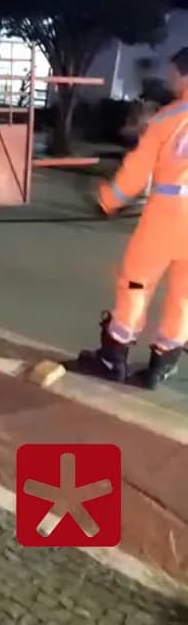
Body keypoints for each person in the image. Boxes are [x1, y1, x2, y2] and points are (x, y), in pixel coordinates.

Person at [76, 47, 188, 390]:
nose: (169, 78)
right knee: (185, 295)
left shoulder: (168, 120)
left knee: (136, 283)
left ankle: (113, 357)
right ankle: (161, 365)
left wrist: (108, 201)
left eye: (174, 72)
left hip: (166, 219)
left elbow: (136, 172)